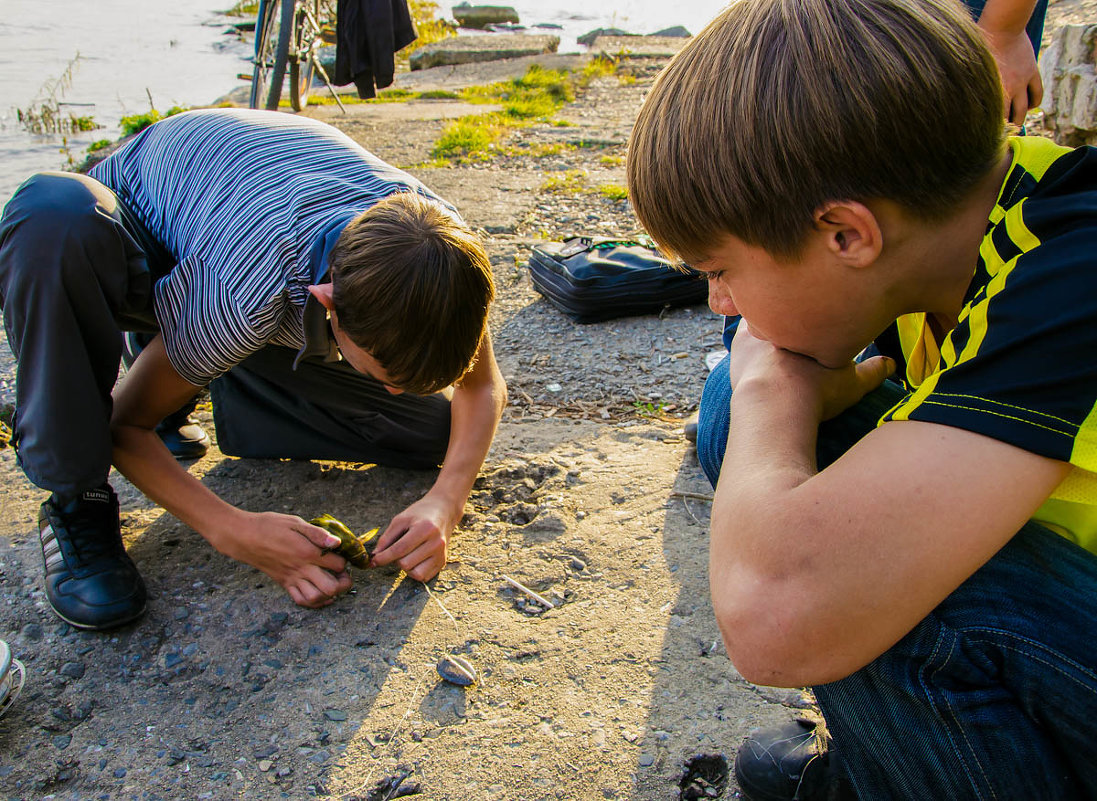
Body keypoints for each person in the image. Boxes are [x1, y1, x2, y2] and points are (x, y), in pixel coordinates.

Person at [626, 0, 1097, 798]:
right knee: (730, 412)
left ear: (846, 234)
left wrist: (771, 380)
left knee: (847, 572)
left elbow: (777, 615)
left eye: (718, 270)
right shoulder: (954, 220)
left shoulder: (1070, 268)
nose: (720, 304)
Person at [0, 108, 506, 631]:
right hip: (136, 237)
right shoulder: (245, 290)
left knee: (433, 435)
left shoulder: (443, 255)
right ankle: (77, 496)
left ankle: (192, 367)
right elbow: (122, 427)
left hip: (247, 229)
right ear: (328, 304)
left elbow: (482, 384)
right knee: (56, 216)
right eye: (386, 377)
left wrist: (445, 501)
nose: (395, 391)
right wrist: (234, 530)